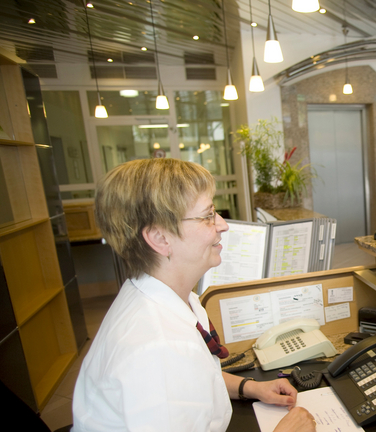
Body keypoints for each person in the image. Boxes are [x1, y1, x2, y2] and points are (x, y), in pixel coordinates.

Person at [72, 158, 316, 432]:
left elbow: (197, 376)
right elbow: (172, 371)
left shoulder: (167, 296)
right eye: (208, 215)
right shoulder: (157, 349)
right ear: (160, 238)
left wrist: (250, 387)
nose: (223, 225)